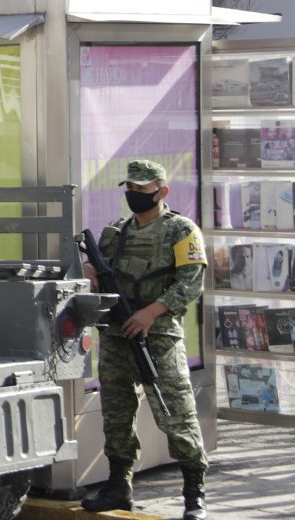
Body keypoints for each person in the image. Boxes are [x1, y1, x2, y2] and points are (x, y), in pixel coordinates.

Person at [81, 160, 208, 520]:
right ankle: (118, 486)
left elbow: (191, 283)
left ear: (162, 191)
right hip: (118, 335)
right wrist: (89, 271)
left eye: (142, 189)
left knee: (177, 415)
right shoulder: (113, 233)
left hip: (159, 337)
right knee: (117, 415)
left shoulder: (182, 230)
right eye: (131, 189)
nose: (135, 195)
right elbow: (95, 266)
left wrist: (151, 312)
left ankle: (193, 494)